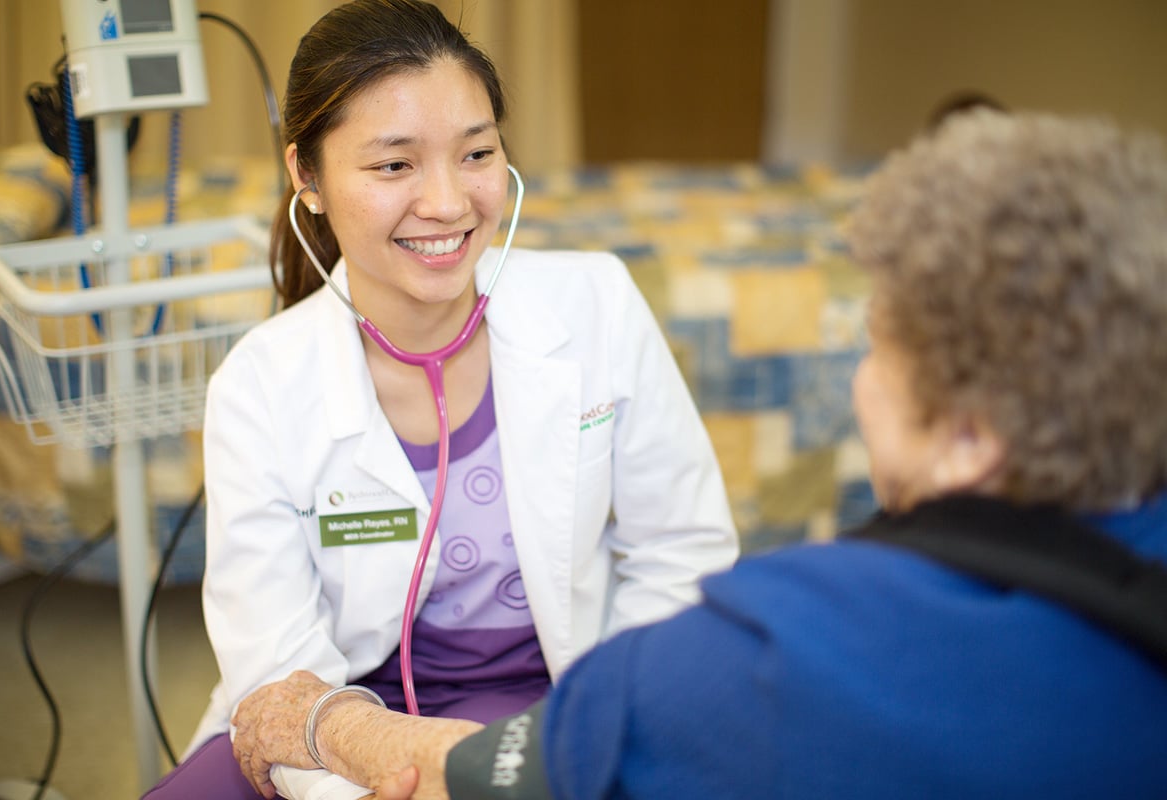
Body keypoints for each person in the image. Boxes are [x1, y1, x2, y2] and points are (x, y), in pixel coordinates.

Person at [230, 109, 1167, 799]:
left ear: (966, 435)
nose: (858, 381)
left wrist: (317, 721)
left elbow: (487, 779)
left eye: (878, 346)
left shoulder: (789, 643)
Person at [142, 1, 738, 797]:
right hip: (333, 716)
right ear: (307, 179)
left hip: (564, 696)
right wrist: (358, 780)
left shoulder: (596, 303)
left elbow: (683, 553)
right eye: (395, 165)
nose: (449, 203)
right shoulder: (257, 386)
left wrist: (603, 727)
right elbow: (277, 665)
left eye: (476, 153)